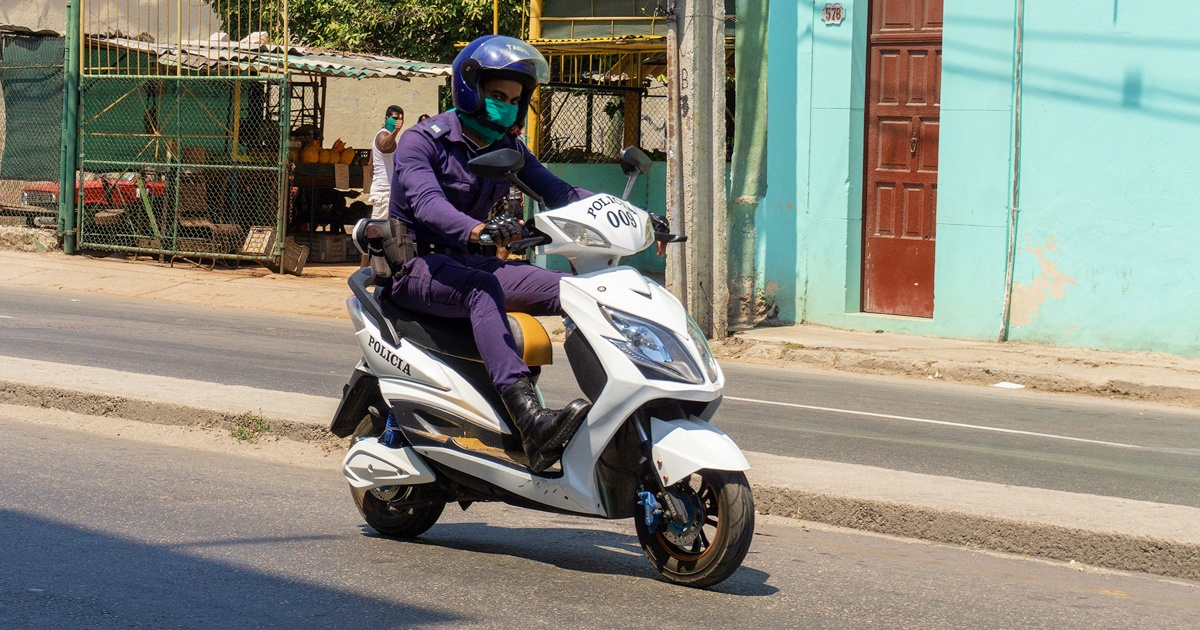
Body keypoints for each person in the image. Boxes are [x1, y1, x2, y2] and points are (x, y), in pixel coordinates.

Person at [387, 35, 591, 473]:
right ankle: (530, 421)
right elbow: (427, 204)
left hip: (472, 263)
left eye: (515, 99)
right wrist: (478, 230)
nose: (507, 106)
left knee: (581, 291)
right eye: (498, 95)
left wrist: (634, 216)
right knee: (481, 290)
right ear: (470, 88)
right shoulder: (423, 142)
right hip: (418, 266)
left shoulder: (509, 148)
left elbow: (561, 192)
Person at [362, 105, 404, 266]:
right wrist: (395, 132)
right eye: (394, 118)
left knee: (384, 234)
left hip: (387, 192)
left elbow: (372, 164)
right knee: (374, 233)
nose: (398, 120)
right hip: (384, 193)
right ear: (386, 119)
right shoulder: (383, 136)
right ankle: (363, 272)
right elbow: (386, 145)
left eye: (400, 118)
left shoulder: (380, 136)